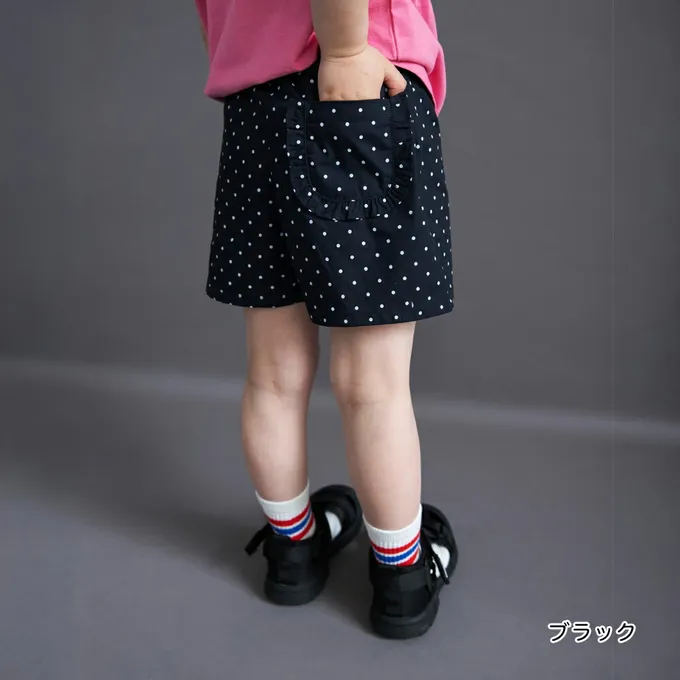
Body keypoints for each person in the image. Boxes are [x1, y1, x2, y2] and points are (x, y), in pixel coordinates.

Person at [194, 0, 458, 639]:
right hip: (350, 90)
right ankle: (402, 578)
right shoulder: (345, 59)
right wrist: (344, 49)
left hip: (255, 110)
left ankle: (293, 549)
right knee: (373, 382)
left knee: (273, 373)